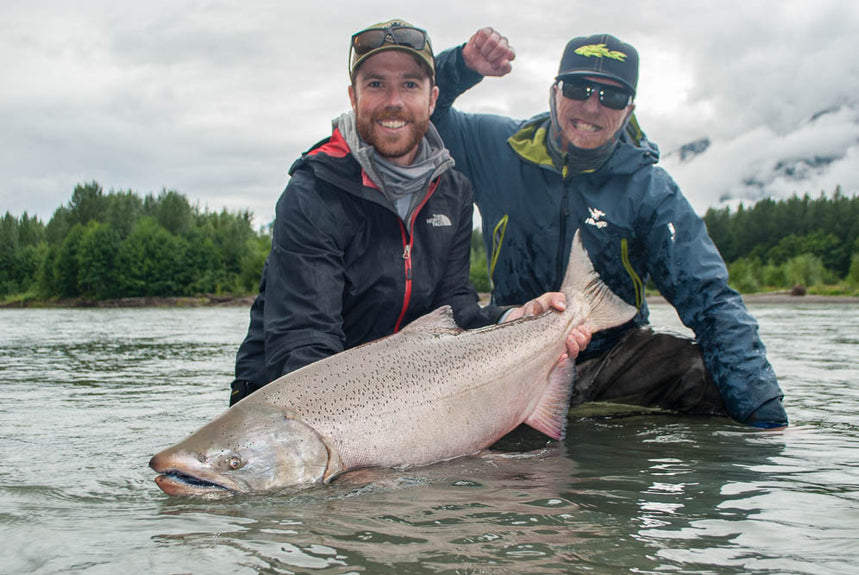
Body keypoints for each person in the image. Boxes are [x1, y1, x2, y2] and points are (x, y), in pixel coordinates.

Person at [430, 30, 787, 428]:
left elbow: (712, 301)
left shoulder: (650, 189)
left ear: (629, 110)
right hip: (508, 352)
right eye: (579, 88)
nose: (592, 106)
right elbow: (422, 113)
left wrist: (768, 425)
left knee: (716, 378)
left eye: (611, 96)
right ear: (554, 92)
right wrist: (461, 66)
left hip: (614, 359)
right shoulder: (495, 146)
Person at [229, 20, 590, 406]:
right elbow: (304, 342)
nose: (394, 101)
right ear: (353, 97)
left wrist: (515, 318)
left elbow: (455, 312)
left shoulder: (453, 191)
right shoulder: (313, 192)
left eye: (410, 85)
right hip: (286, 409)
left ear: (432, 99)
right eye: (376, 84)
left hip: (395, 398)